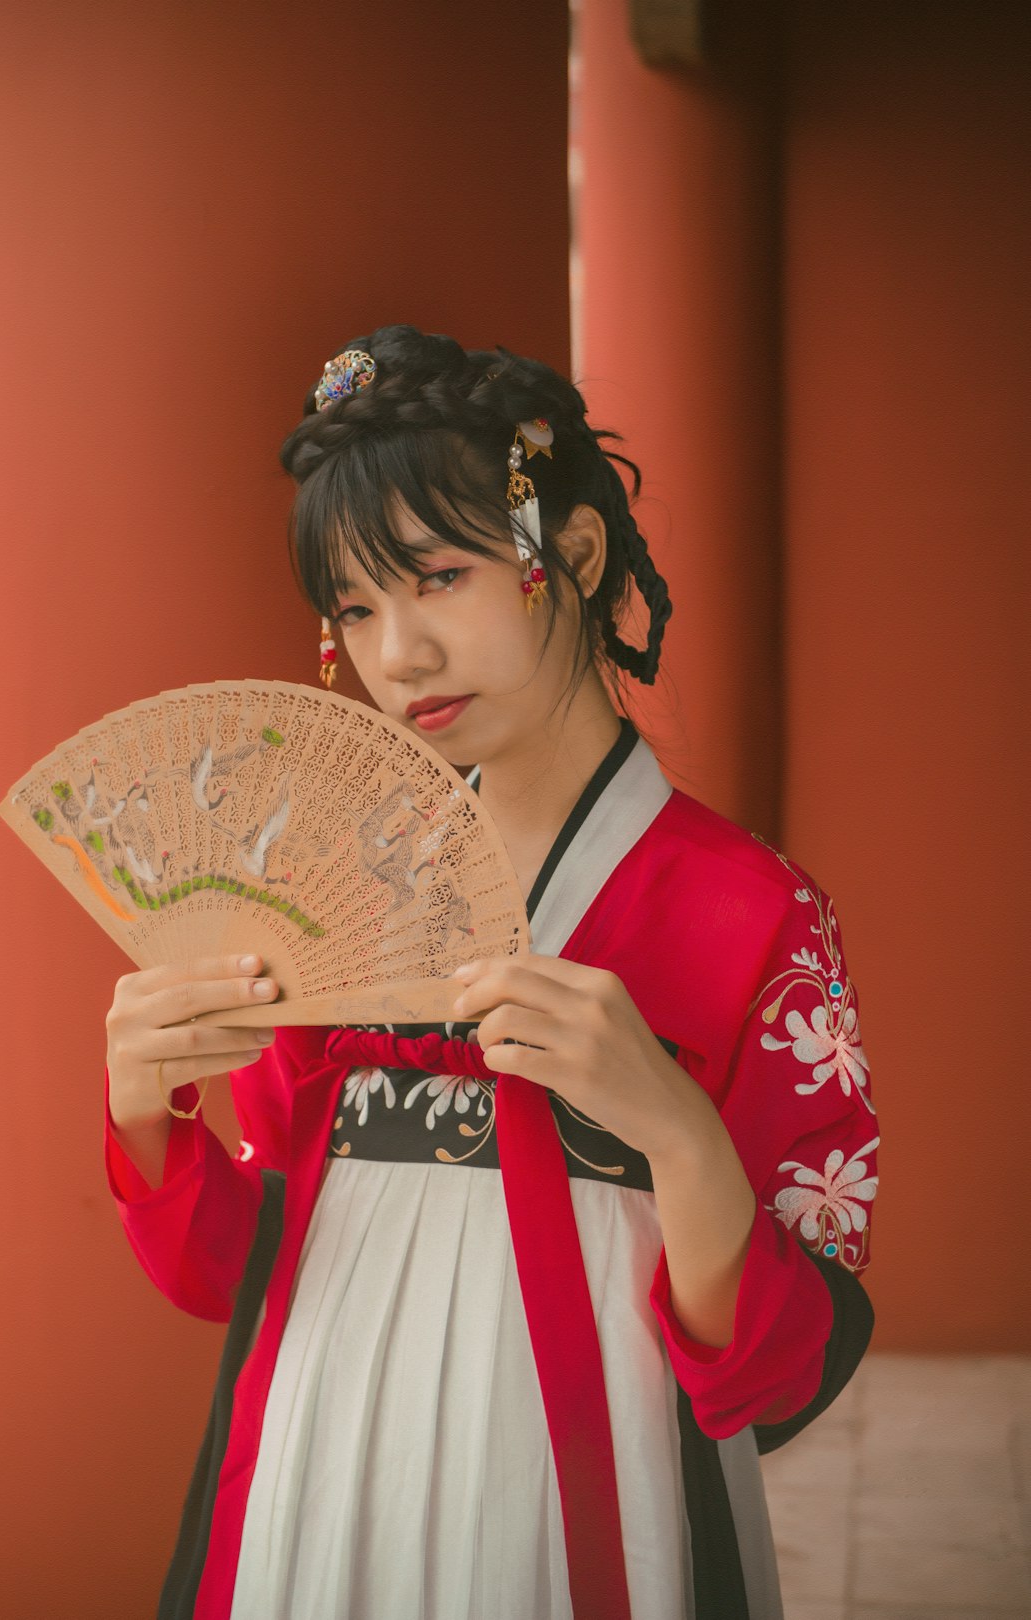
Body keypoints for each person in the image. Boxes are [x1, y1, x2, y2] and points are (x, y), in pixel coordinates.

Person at [104, 324, 879, 1620]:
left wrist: (679, 1139)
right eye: (354, 607)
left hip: (582, 1484)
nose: (395, 653)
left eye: (438, 577)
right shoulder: (336, 889)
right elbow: (245, 1268)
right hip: (316, 1461)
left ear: (569, 553)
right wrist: (151, 1112)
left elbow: (781, 1380)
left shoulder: (753, 915)